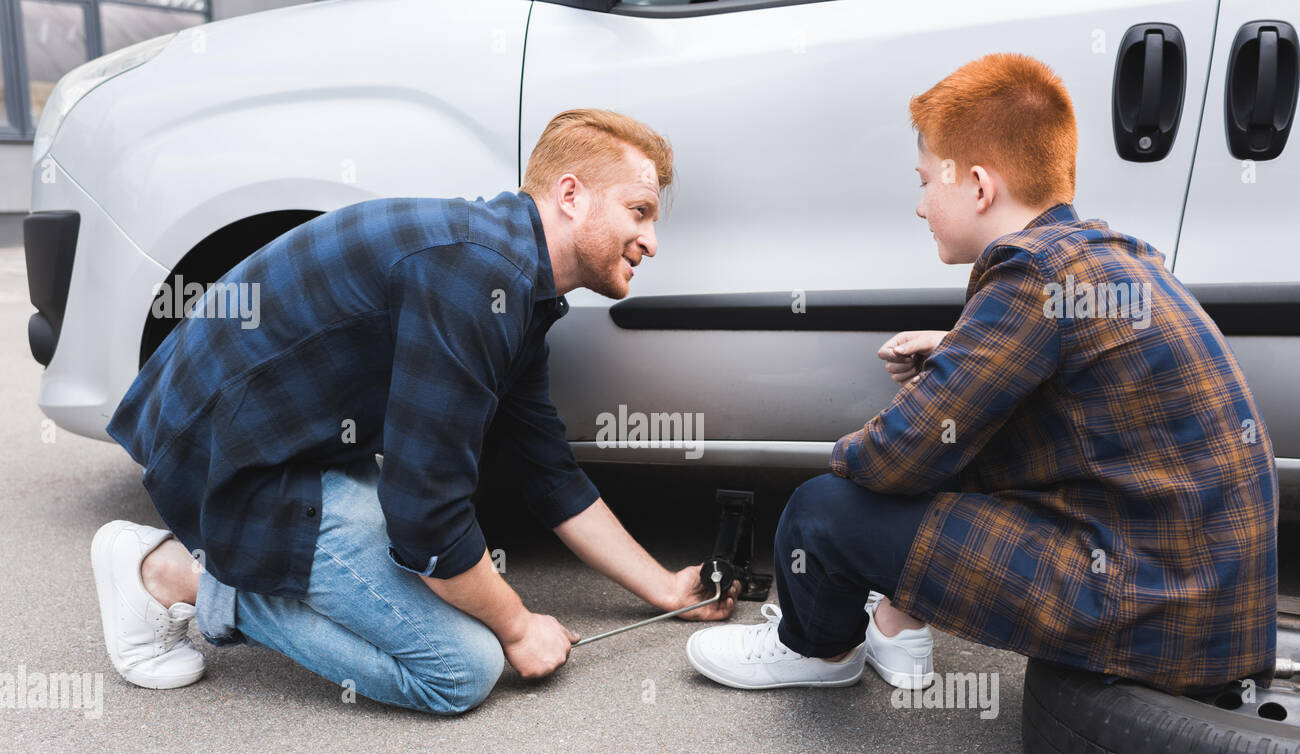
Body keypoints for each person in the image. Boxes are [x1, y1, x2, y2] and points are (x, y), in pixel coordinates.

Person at [93, 108, 739, 714]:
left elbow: (549, 475)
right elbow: (425, 518)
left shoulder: (510, 282)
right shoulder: (479, 278)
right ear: (571, 196)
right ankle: (167, 572)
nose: (651, 242)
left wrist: (663, 588)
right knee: (462, 668)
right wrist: (517, 625)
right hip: (232, 457)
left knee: (462, 600)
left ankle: (216, 561)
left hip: (289, 443)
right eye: (640, 212)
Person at [687, 53, 1278, 697]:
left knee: (823, 510)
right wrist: (958, 347)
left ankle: (815, 651)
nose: (919, 207)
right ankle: (898, 621)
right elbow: (1074, 370)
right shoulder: (1109, 255)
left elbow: (897, 456)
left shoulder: (1031, 273)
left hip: (1146, 615)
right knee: (977, 442)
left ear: (976, 185)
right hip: (1215, 614)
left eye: (923, 183)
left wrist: (851, 460)